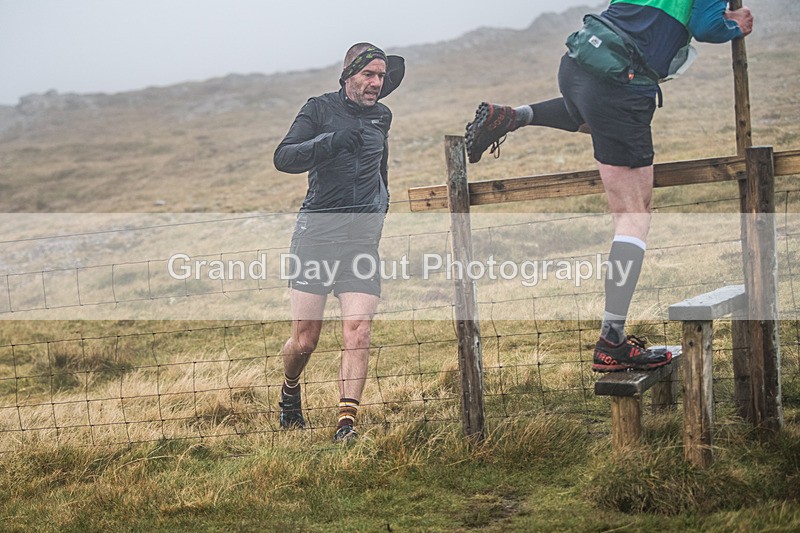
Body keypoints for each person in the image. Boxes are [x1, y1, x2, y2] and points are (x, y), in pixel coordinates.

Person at [464, 0, 753, 372]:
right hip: (621, 83)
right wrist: (735, 25)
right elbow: (707, 26)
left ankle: (517, 116)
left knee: (592, 115)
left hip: (579, 63)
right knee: (633, 215)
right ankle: (611, 340)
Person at [273, 43, 404, 442]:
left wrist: (381, 207)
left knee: (358, 330)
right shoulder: (318, 109)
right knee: (305, 339)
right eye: (369, 75)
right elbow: (284, 157)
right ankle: (290, 390)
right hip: (317, 235)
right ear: (349, 75)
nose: (376, 83)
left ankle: (346, 424)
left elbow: (380, 169)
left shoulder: (383, 117)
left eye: (381, 77)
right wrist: (329, 141)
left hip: (361, 242)